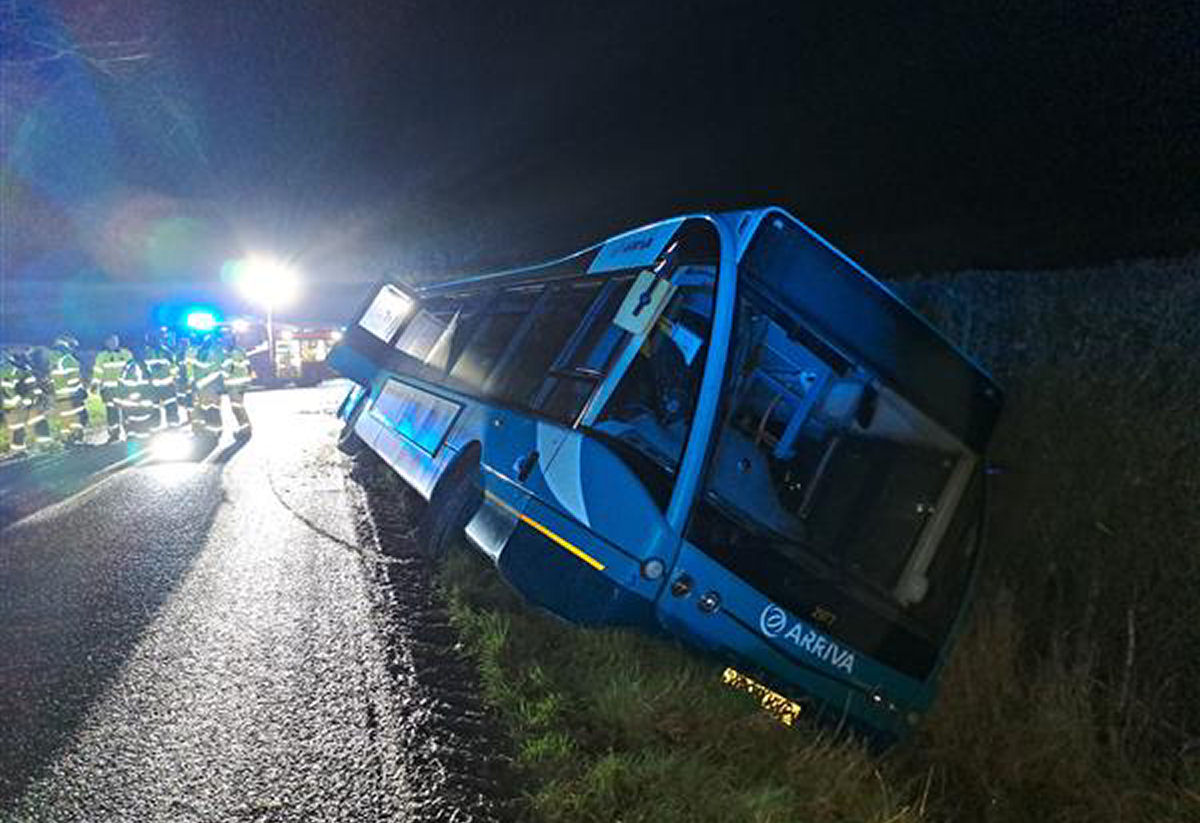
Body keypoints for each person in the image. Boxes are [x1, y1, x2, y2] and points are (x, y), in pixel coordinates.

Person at [92, 334, 133, 443]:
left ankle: (130, 432)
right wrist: (95, 385)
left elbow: (132, 369)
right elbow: (98, 372)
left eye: (115, 340)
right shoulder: (102, 356)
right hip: (109, 390)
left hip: (124, 389)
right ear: (106, 343)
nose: (113, 343)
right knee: (112, 414)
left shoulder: (126, 354)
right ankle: (114, 435)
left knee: (127, 411)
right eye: (110, 341)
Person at [48, 333, 87, 445]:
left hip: (60, 395)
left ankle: (66, 440)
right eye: (73, 346)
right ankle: (77, 439)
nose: (74, 349)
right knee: (78, 417)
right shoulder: (68, 359)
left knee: (65, 418)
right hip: (72, 395)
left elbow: (52, 378)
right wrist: (80, 390)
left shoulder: (54, 358)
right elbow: (73, 379)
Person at [189, 329, 226, 440]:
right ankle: (206, 430)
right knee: (203, 407)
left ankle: (215, 431)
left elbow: (214, 368)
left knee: (212, 407)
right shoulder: (201, 349)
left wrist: (194, 362)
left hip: (211, 384)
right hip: (202, 384)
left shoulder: (215, 349)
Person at [116, 346, 156, 443]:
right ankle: (138, 439)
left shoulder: (140, 365)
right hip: (135, 400)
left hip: (136, 400)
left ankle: (137, 438)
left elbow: (149, 382)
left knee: (137, 420)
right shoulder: (140, 366)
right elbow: (149, 383)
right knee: (137, 420)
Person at [142, 328, 177, 433]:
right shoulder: (146, 352)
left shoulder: (165, 351)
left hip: (166, 384)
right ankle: (155, 428)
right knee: (154, 408)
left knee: (170, 406)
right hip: (154, 386)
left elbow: (173, 367)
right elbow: (143, 369)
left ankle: (173, 426)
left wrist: (172, 378)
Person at [222, 327, 253, 440]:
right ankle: (245, 428)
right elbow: (248, 365)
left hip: (234, 384)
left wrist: (222, 380)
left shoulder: (230, 353)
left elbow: (227, 370)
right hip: (242, 383)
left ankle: (245, 429)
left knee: (237, 407)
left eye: (225, 339)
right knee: (239, 406)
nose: (224, 342)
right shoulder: (241, 350)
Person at [1, 348, 25, 455]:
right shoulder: (8, 370)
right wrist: (19, 400)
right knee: (17, 427)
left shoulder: (4, 370)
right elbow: (8, 388)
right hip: (11, 404)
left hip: (6, 405)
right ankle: (18, 450)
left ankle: (17, 449)